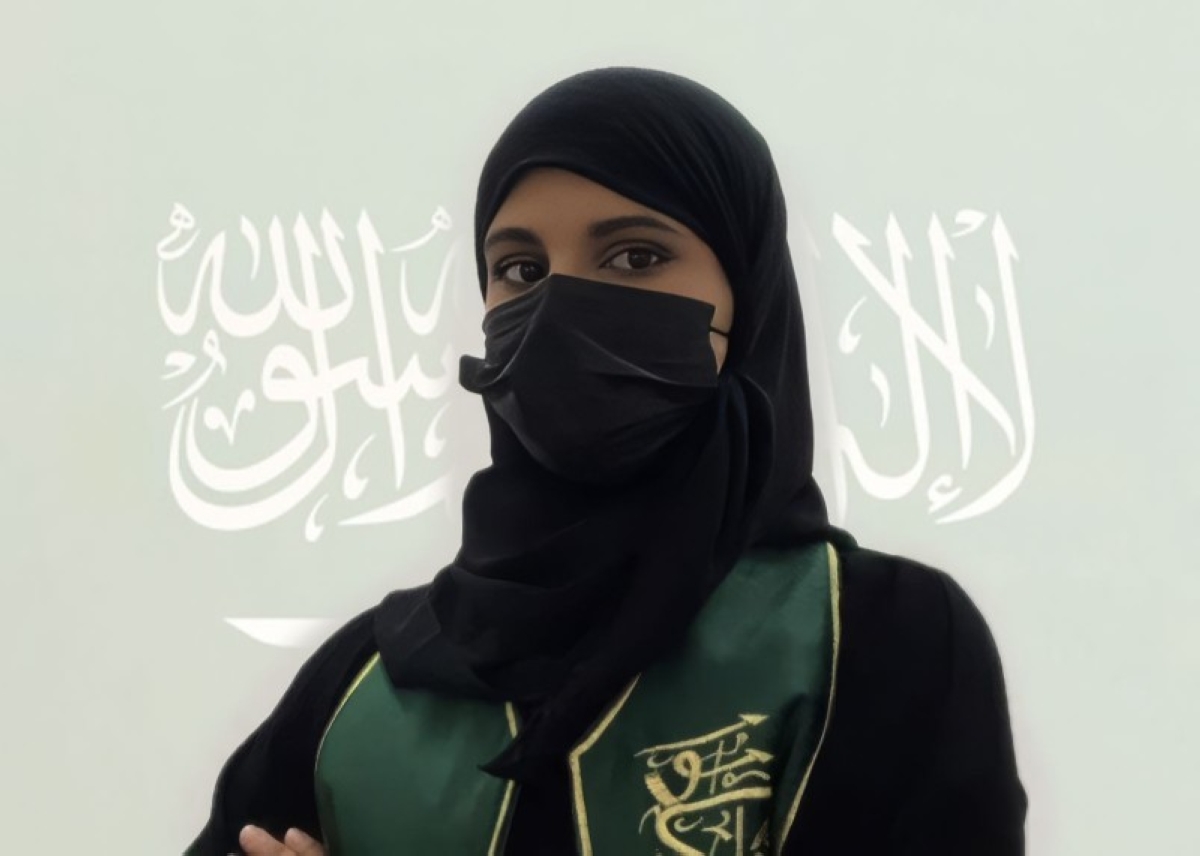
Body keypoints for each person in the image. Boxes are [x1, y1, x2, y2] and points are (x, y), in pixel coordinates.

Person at [185, 66, 1027, 856]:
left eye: (635, 256)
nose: (559, 307)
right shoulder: (364, 682)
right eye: (519, 269)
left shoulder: (879, 642)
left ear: (749, 292)